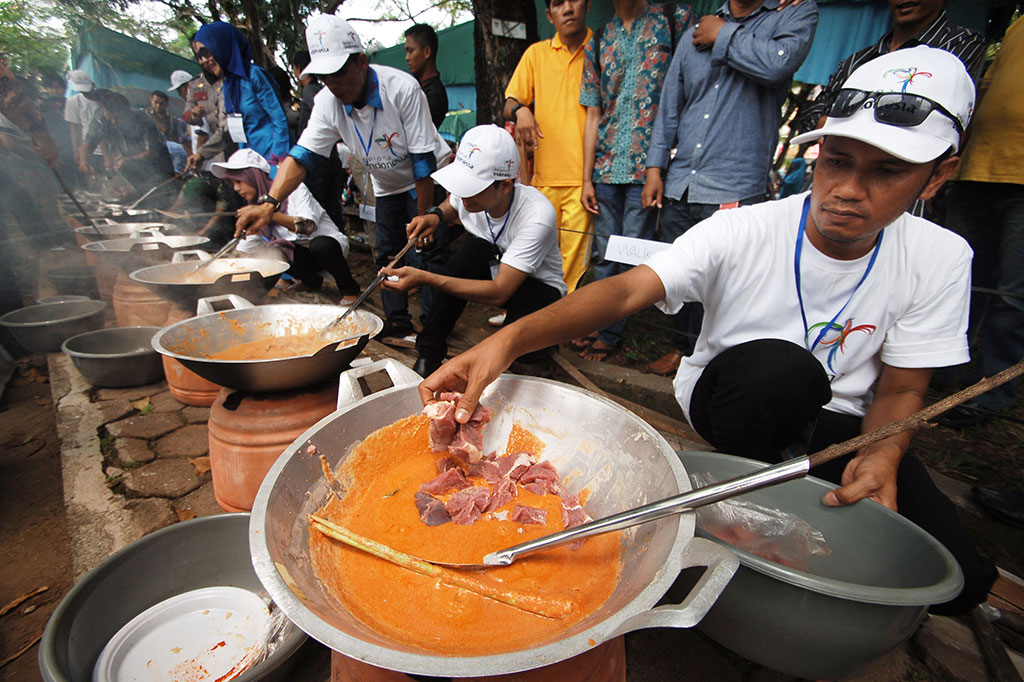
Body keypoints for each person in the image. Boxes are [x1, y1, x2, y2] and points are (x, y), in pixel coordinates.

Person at [419, 46, 997, 616]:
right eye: (837, 161)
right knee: (784, 374)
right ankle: (747, 496)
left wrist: (883, 452)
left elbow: (900, 390)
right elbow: (623, 291)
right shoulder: (744, 230)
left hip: (835, 421)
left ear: (938, 175)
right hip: (733, 397)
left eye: (888, 171)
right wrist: (507, 340)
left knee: (961, 580)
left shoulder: (942, 258)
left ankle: (777, 500)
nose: (848, 188)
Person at [235, 13, 451, 340]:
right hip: (386, 183)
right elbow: (300, 157)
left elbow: (423, 162)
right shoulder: (327, 102)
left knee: (427, 250)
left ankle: (434, 327)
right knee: (388, 252)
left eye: (338, 73)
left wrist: (424, 216)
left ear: (362, 62)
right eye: (324, 77)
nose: (333, 84)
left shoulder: (402, 89)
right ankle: (398, 321)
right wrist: (269, 203)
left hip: (425, 180)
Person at [641, 0, 818, 376]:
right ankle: (682, 351)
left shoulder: (792, 14)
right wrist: (656, 168)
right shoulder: (696, 28)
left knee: (728, 283)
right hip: (682, 181)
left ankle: (717, 363)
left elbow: (777, 64)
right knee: (681, 275)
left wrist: (723, 35)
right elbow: (670, 104)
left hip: (734, 182)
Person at [383, 125, 566, 378]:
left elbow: (501, 292)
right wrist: (435, 216)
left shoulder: (536, 216)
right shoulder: (472, 196)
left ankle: (530, 363)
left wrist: (425, 278)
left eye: (471, 188)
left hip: (537, 285)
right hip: (499, 263)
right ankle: (428, 354)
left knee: (522, 350)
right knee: (469, 253)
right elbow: (454, 204)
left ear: (505, 186)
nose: (463, 194)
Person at [575, 0, 693, 361]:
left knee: (632, 257)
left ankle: (611, 333)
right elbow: (593, 114)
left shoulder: (673, 20)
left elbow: (682, 97)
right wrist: (586, 179)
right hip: (606, 169)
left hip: (650, 169)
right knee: (606, 255)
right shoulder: (599, 40)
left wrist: (662, 164)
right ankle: (600, 323)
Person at [941, 15, 1024, 426]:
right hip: (977, 170)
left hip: (1021, 177)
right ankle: (940, 367)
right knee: (962, 280)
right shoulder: (1015, 27)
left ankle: (988, 391)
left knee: (1011, 294)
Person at [505, 0, 593, 293]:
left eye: (574, 0)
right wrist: (520, 109)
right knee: (535, 255)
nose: (568, 9)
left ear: (587, 4)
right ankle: (530, 316)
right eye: (558, 3)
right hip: (543, 181)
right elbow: (510, 101)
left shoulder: (599, 49)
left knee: (572, 267)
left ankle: (559, 323)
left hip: (583, 181)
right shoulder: (536, 55)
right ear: (549, 14)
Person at [794, 0, 984, 133]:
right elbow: (814, 113)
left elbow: (931, 114)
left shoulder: (961, 43)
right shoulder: (858, 60)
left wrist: (842, 120)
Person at [215, 148, 360, 302]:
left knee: (321, 245)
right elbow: (247, 245)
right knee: (273, 251)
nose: (236, 188)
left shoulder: (295, 189)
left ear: (254, 177)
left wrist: (269, 213)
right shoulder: (256, 204)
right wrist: (221, 270)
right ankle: (311, 282)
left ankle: (349, 290)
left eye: (239, 181)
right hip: (301, 254)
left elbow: (307, 227)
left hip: (329, 249)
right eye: (232, 183)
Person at [187, 22, 292, 172]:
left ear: (222, 45)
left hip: (275, 162)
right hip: (252, 165)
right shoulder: (227, 86)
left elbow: (280, 119)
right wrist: (201, 154)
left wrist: (279, 161)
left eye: (206, 53)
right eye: (198, 56)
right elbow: (228, 131)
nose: (202, 61)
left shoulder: (254, 76)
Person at [80, 90, 175, 200]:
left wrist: (129, 159)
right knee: (131, 196)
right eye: (110, 117)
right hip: (129, 165)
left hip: (157, 165)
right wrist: (84, 161)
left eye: (118, 118)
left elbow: (153, 152)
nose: (114, 122)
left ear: (127, 111)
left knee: (160, 197)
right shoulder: (101, 118)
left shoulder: (144, 121)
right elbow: (89, 143)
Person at [404, 23, 448, 129]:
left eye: (410, 51)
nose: (407, 58)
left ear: (427, 52)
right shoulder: (410, 85)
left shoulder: (435, 96)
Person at [63, 69, 99, 180]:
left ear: (93, 85)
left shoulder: (104, 98)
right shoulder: (73, 102)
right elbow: (75, 129)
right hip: (88, 147)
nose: (86, 93)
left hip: (108, 147)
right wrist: (76, 151)